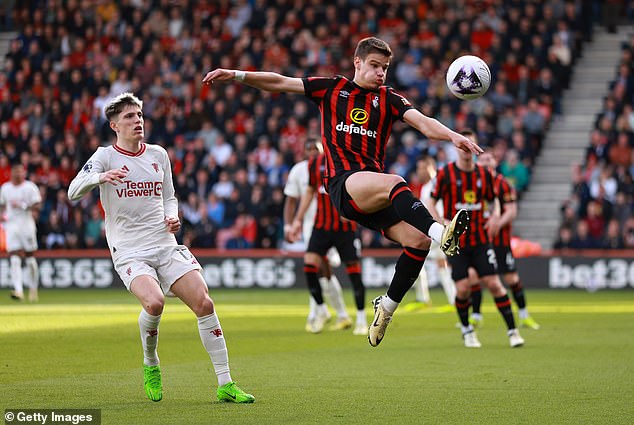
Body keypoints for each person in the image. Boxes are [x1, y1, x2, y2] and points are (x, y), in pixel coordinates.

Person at [203, 36, 480, 347]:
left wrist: (454, 136)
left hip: (373, 193)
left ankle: (386, 308)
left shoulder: (388, 99)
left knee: (416, 243)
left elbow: (425, 123)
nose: (380, 73)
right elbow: (280, 82)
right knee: (395, 183)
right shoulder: (332, 88)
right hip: (344, 184)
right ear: (357, 62)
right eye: (375, 65)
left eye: (385, 68)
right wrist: (238, 75)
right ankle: (441, 233)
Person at [68, 93, 254, 403]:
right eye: (129, 116)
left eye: (139, 115)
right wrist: (101, 177)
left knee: (205, 304)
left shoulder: (158, 154)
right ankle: (151, 362)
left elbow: (169, 195)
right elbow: (73, 190)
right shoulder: (104, 157)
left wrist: (173, 214)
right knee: (154, 304)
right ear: (114, 125)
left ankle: (225, 383)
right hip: (128, 249)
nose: (137, 120)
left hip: (164, 243)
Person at [429, 129, 524, 348]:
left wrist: (495, 217)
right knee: (462, 289)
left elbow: (494, 200)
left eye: (469, 145)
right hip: (457, 243)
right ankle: (467, 331)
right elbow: (431, 202)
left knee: (495, 284)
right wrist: (440, 225)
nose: (465, 149)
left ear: (474, 148)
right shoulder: (445, 175)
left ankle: (513, 332)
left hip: (481, 241)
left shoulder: (484, 175)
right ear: (456, 147)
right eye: (461, 145)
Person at [289, 148, 368, 336]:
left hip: (345, 229)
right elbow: (309, 191)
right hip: (322, 226)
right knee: (309, 267)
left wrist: (355, 213)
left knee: (354, 275)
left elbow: (362, 189)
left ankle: (362, 319)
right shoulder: (315, 164)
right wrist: (297, 221)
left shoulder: (350, 160)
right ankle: (322, 309)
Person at [468, 150, 540, 330]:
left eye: (488, 159)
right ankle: (475, 315)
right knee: (474, 277)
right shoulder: (472, 183)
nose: (485, 162)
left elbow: (512, 210)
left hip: (500, 241)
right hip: (479, 240)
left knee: (511, 279)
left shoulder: (502, 184)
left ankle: (524, 315)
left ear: (494, 162)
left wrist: (497, 223)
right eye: (482, 160)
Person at [404, 155, 456, 312]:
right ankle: (452, 299)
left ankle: (424, 298)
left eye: (422, 168)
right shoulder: (428, 186)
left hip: (438, 229)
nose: (419, 172)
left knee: (413, 255)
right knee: (440, 263)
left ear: (430, 167)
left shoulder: (435, 184)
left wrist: (442, 225)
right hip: (437, 230)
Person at [0, 162, 41, 302]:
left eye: (20, 171)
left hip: (26, 225)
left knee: (30, 257)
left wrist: (25, 206)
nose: (18, 174)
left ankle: (33, 288)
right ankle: (18, 290)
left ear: (24, 173)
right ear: (11, 173)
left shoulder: (30, 187)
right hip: (11, 225)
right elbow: (2, 204)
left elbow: (37, 205)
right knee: (14, 257)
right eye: (15, 171)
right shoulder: (5, 188)